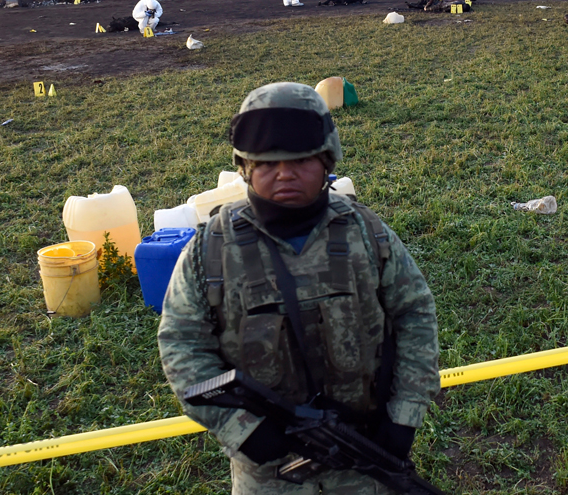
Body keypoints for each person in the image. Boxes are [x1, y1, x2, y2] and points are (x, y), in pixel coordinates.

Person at [158, 81, 441, 494]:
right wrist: (242, 430)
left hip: (364, 457)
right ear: (245, 167)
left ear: (327, 162)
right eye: (267, 163)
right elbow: (181, 345)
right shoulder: (211, 248)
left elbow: (415, 314)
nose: (284, 174)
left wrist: (404, 415)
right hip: (268, 475)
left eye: (301, 160)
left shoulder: (367, 233)